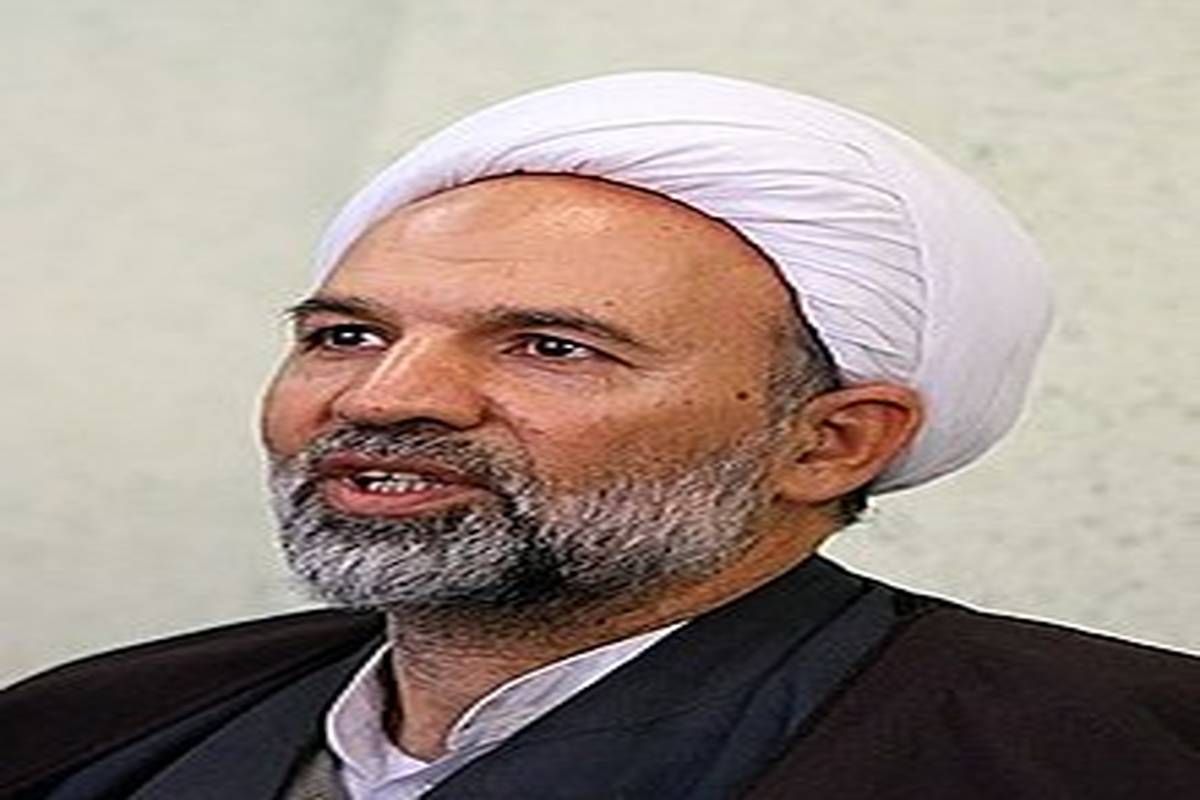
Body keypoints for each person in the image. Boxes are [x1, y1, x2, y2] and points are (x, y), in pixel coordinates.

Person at [3, 72, 1197, 800]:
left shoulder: (1113, 754)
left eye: (549, 345)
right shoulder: (91, 722)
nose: (383, 397)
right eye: (346, 335)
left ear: (830, 442)